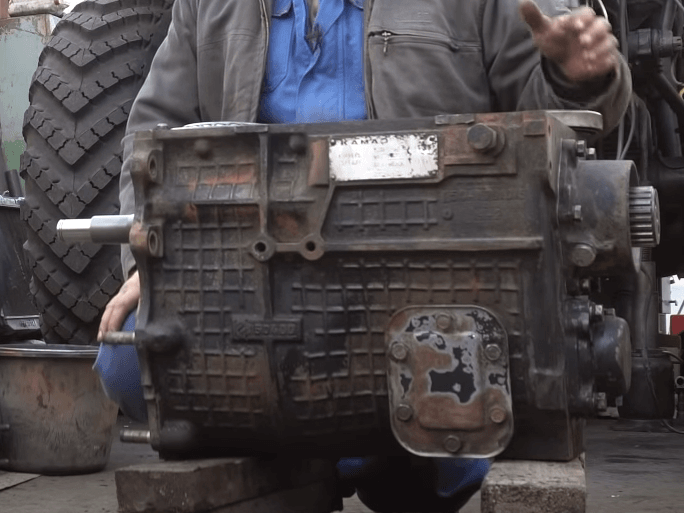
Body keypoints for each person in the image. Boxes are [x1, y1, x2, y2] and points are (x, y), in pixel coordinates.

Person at [95, 0, 631, 509]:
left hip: (426, 274)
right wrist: (157, 258)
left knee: (447, 421)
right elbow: (153, 134)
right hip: (250, 272)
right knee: (129, 364)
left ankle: (338, 452)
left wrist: (575, 76)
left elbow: (559, 127)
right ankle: (338, 447)